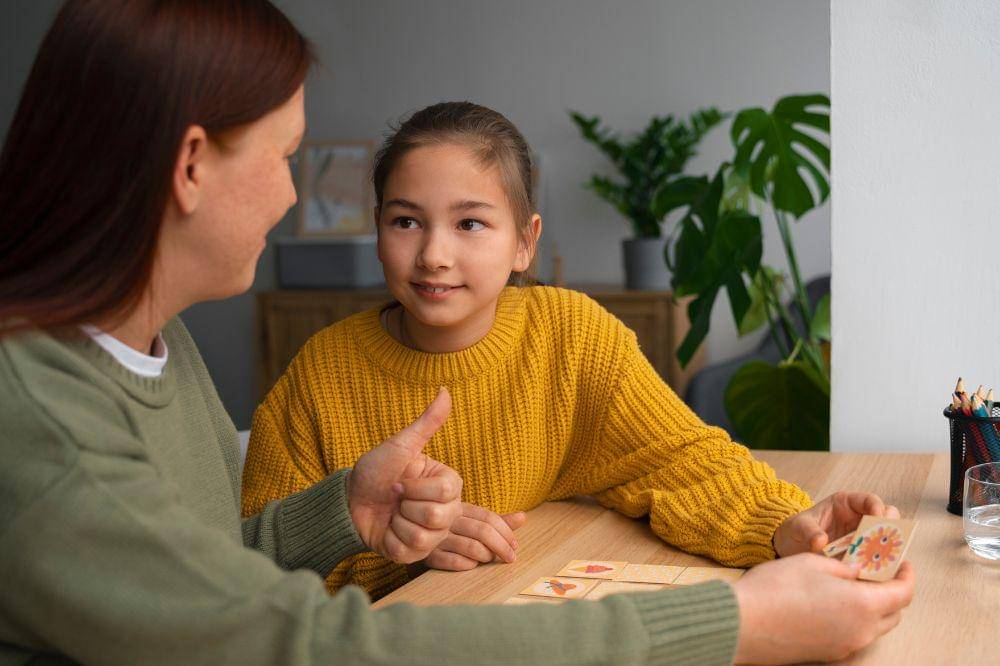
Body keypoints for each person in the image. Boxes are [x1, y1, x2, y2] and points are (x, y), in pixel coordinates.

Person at [0, 1, 914, 664]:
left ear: (525, 244)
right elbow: (300, 644)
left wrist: (344, 513)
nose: (291, 194)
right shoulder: (42, 417)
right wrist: (736, 628)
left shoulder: (160, 346)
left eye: (471, 224)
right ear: (192, 165)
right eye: (284, 157)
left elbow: (191, 589)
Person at [241, 100, 903, 601]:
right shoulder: (319, 374)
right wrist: (402, 551)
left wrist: (788, 525)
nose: (434, 255)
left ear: (525, 242)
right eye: (405, 220)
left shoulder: (572, 336)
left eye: (470, 222)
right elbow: (251, 576)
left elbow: (683, 462)